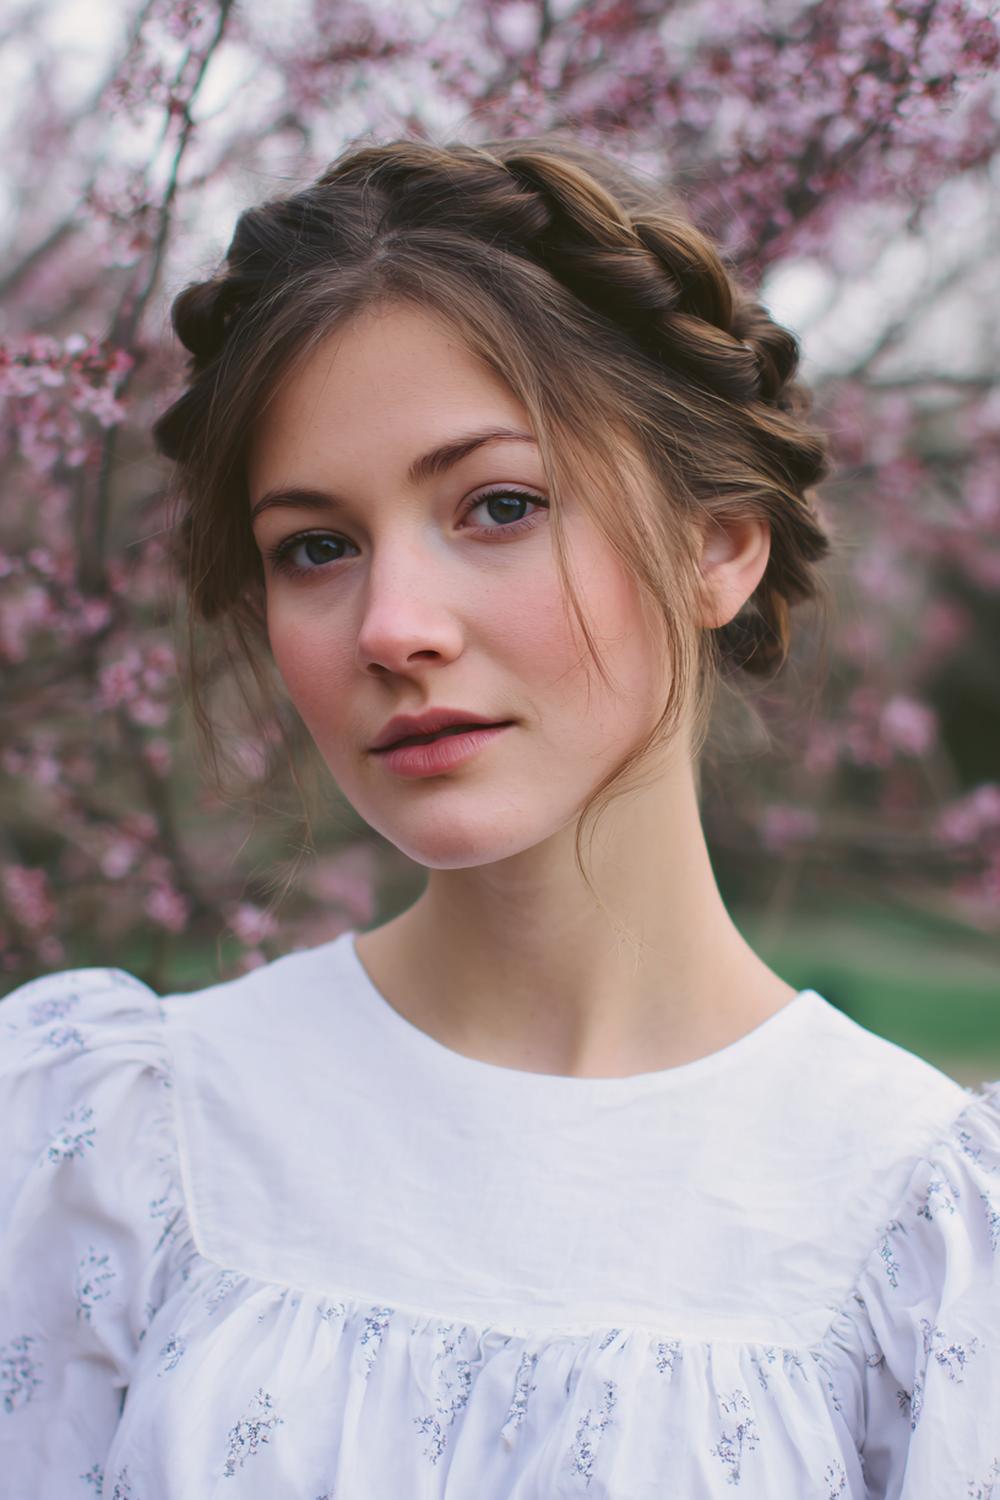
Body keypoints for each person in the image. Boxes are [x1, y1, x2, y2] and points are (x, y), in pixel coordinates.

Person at [0, 135, 996, 1499]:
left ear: (718, 543)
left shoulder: (927, 1243)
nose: (394, 627)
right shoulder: (100, 1141)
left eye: (501, 506)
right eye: (315, 547)